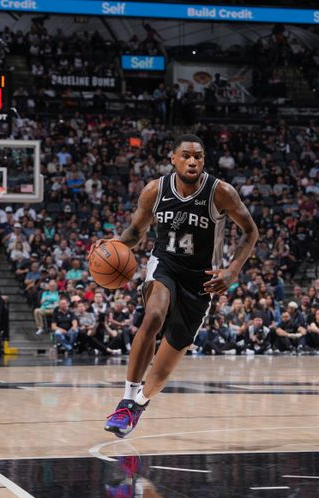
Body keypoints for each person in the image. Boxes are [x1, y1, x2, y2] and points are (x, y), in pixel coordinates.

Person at [102, 134, 258, 437]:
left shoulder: (221, 192)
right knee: (154, 315)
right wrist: (113, 246)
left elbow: (250, 232)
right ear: (173, 159)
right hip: (165, 265)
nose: (192, 161)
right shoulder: (154, 191)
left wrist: (233, 270)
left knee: (163, 369)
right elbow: (135, 231)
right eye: (185, 155)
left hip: (202, 282)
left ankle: (139, 405)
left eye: (198, 156)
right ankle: (125, 399)